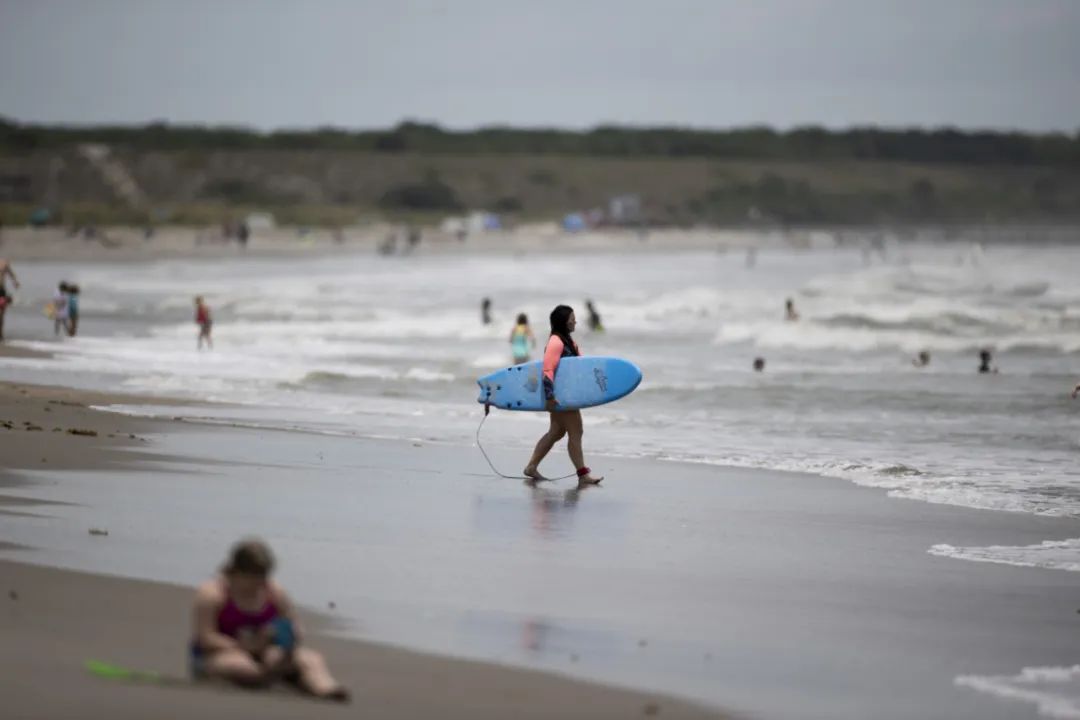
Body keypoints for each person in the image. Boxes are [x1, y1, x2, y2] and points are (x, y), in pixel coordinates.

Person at [190, 539, 348, 701]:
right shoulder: (212, 594)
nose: (260, 582)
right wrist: (243, 646)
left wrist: (289, 637)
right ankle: (271, 676)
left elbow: (292, 622)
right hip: (219, 654)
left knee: (311, 659)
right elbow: (206, 637)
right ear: (237, 572)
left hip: (266, 651)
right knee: (242, 666)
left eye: (264, 576)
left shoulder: (273, 592)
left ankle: (325, 687)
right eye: (254, 577)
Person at [523, 305, 603, 485]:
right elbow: (548, 370)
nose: (575, 321)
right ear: (563, 321)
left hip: (567, 395)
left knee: (556, 432)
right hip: (561, 397)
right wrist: (550, 396)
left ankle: (531, 467)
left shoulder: (569, 342)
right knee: (576, 432)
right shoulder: (556, 342)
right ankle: (583, 475)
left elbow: (580, 366)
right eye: (572, 318)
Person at [0, 258, 19, 342]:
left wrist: (15, 282)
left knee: (2, 314)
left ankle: (1, 334)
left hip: (2, 291)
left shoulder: (4, 263)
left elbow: (11, 274)